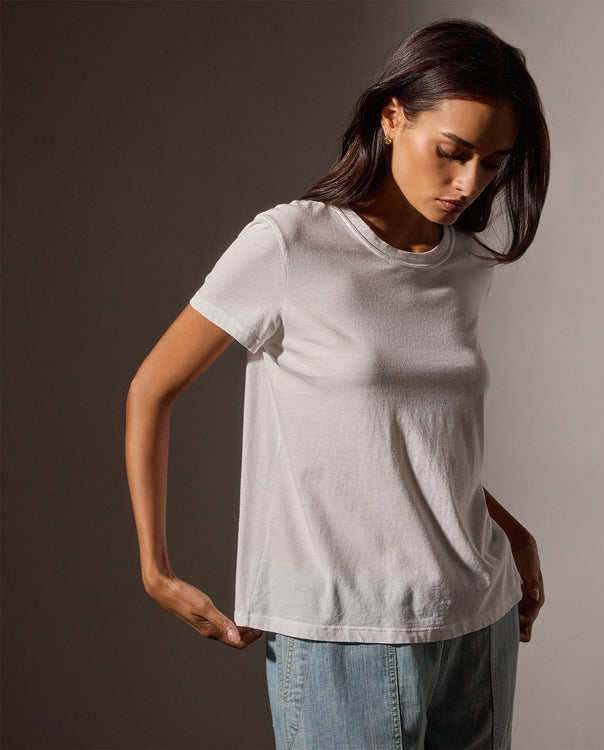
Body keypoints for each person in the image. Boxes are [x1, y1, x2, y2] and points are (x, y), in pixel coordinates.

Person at [126, 18, 549, 750]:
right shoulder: (291, 244)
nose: (469, 183)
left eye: (493, 163)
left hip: (478, 619)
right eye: (452, 152)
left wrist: (511, 531)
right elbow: (150, 389)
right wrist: (155, 569)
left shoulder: (466, 266)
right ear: (392, 117)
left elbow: (409, 445)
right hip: (343, 632)